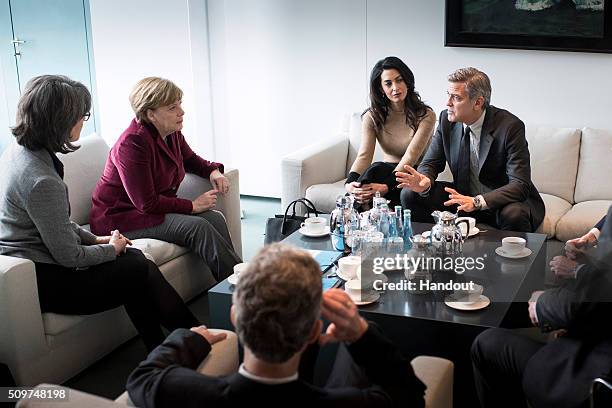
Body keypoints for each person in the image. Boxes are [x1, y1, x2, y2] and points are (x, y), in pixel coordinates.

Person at [0, 75, 200, 351]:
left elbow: (58, 223)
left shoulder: (21, 152)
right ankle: (193, 339)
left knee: (134, 267)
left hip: (39, 261)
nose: (84, 121)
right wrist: (112, 248)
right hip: (44, 279)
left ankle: (167, 347)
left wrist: (96, 240)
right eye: (82, 115)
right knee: (136, 266)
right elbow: (70, 257)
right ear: (60, 120)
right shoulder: (40, 180)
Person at [126, 243, 426, 407]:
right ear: (313, 332)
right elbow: (409, 394)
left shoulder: (187, 395)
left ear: (235, 317)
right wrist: (361, 333)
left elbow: (142, 378)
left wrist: (190, 338)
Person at [89, 77, 241, 281]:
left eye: (180, 103)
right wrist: (192, 206)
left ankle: (238, 280)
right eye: (172, 107)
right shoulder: (132, 144)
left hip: (149, 211)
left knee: (214, 218)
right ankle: (243, 293)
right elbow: (146, 203)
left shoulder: (171, 132)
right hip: (121, 218)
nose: (181, 111)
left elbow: (190, 159)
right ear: (150, 114)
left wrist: (213, 171)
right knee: (198, 226)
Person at [471, 207, 612, 408]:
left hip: (593, 374)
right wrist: (591, 238)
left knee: (486, 345)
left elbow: (591, 301)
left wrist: (543, 303)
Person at [396, 67, 544, 232]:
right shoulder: (446, 119)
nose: (448, 103)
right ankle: (428, 249)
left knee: (515, 214)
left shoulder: (510, 127)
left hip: (499, 202)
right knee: (410, 194)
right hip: (463, 197)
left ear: (478, 102)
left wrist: (477, 202)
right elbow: (431, 162)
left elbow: (520, 184)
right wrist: (425, 181)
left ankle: (508, 258)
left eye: (456, 97)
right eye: (448, 95)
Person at [345, 56, 435, 209]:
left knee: (377, 170)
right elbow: (364, 155)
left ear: (407, 81)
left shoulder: (426, 115)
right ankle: (352, 220)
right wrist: (350, 184)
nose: (395, 87)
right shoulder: (372, 116)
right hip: (383, 172)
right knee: (375, 170)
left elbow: (411, 157)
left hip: (412, 174)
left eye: (399, 80)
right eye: (388, 83)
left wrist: (386, 186)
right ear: (381, 88)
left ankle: (356, 214)